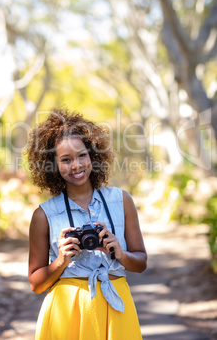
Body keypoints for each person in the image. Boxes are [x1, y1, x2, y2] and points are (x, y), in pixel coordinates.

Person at [27, 107, 147, 340]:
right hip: (67, 312)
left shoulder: (121, 200)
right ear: (52, 164)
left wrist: (120, 254)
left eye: (82, 155)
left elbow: (141, 263)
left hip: (116, 307)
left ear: (93, 154)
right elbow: (36, 284)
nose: (76, 166)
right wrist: (61, 260)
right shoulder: (43, 215)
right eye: (65, 159)